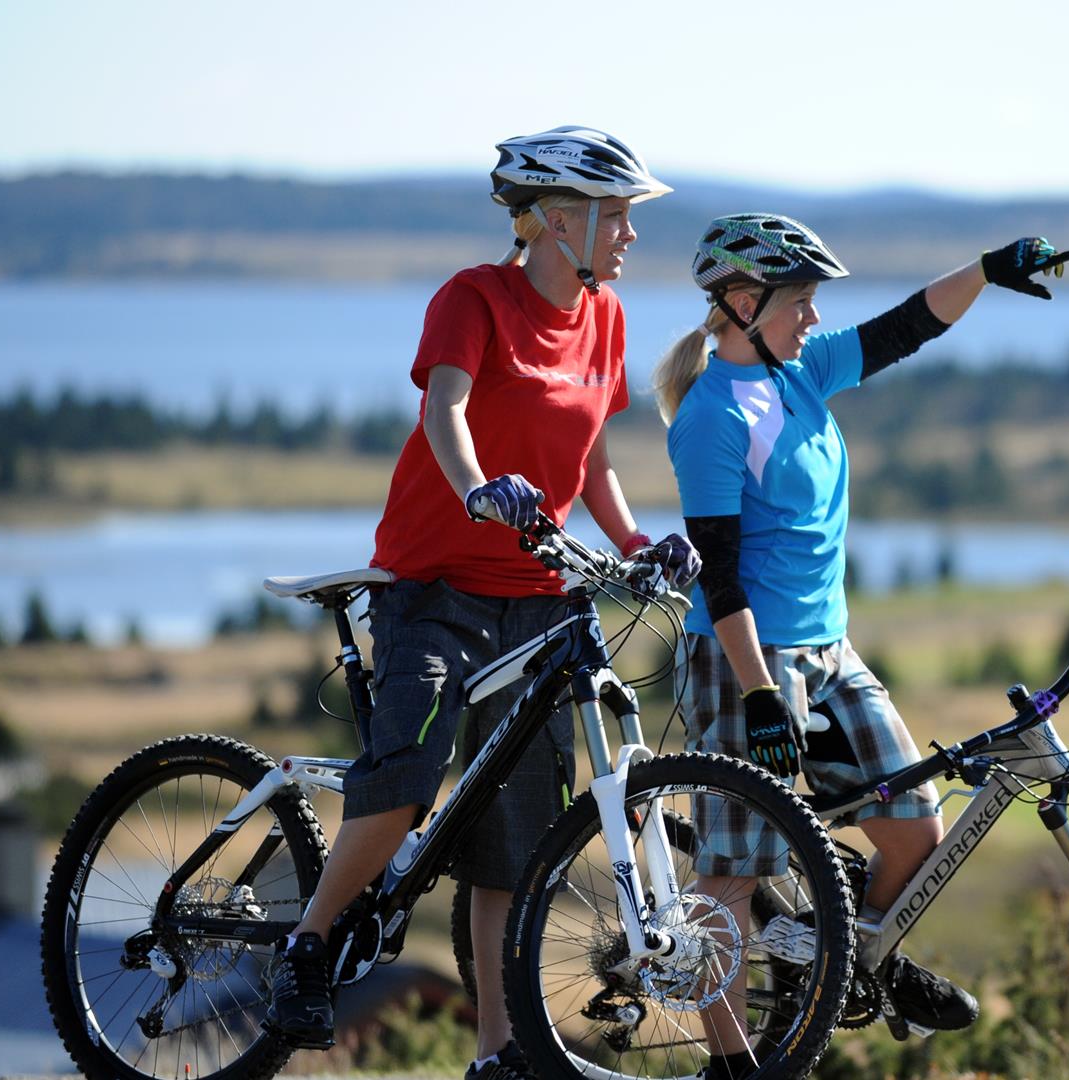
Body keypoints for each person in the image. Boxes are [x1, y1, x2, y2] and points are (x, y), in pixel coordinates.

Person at [264, 126, 698, 1080]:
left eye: (629, 217)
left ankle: (499, 1054)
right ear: (552, 221)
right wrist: (475, 486)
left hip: (542, 602)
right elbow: (444, 409)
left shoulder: (607, 317)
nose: (629, 235)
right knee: (410, 769)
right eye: (615, 216)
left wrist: (635, 544)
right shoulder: (473, 298)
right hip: (436, 589)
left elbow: (590, 459)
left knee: (516, 846)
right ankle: (307, 944)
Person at [656, 214, 1069, 1077]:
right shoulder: (710, 418)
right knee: (732, 875)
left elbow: (905, 326)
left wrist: (989, 269)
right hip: (746, 660)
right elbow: (719, 578)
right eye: (799, 300)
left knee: (917, 832)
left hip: (831, 649)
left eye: (812, 303)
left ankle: (839, 957)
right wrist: (761, 693)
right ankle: (734, 1063)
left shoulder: (802, 372)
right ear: (742, 300)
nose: (812, 317)